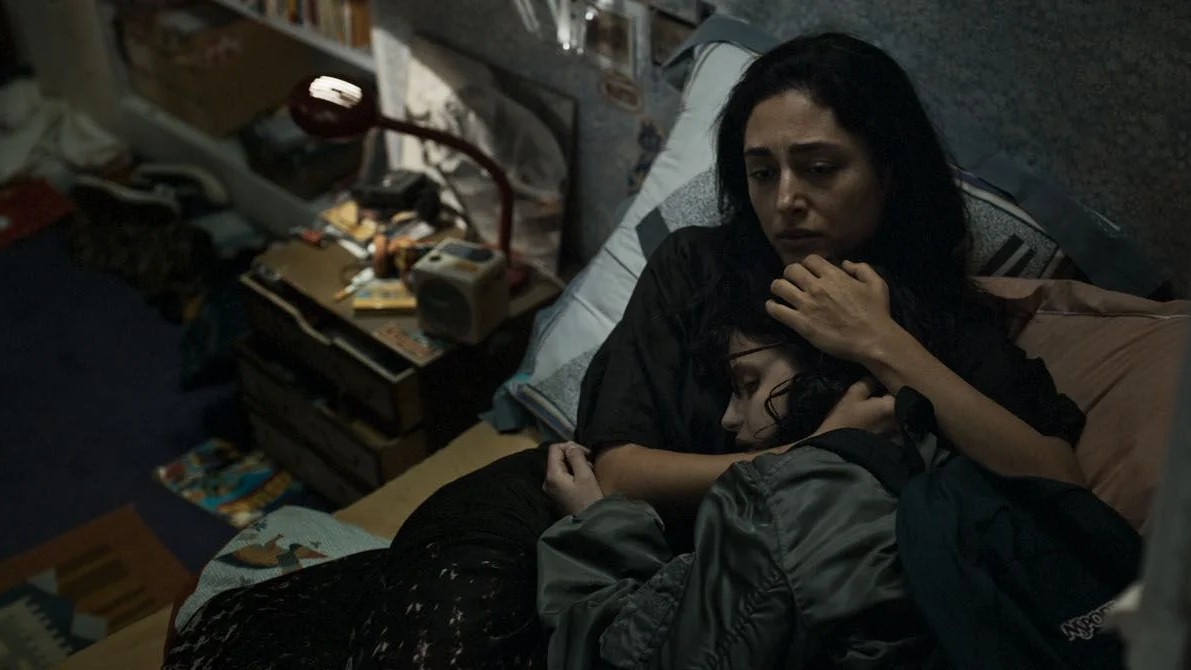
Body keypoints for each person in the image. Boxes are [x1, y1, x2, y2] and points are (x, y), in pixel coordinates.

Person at [163, 31, 1086, 669]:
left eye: (819, 168)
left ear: (887, 170)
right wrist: (805, 455)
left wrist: (883, 344)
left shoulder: (942, 325)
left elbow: (1055, 480)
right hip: (552, 515)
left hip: (687, 589)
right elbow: (619, 469)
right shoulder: (699, 266)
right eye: (760, 173)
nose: (784, 202)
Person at [538, 298, 946, 667]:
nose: (728, 419)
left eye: (749, 384)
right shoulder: (939, 474)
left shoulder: (792, 504)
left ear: (829, 376)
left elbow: (625, 658)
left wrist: (592, 529)